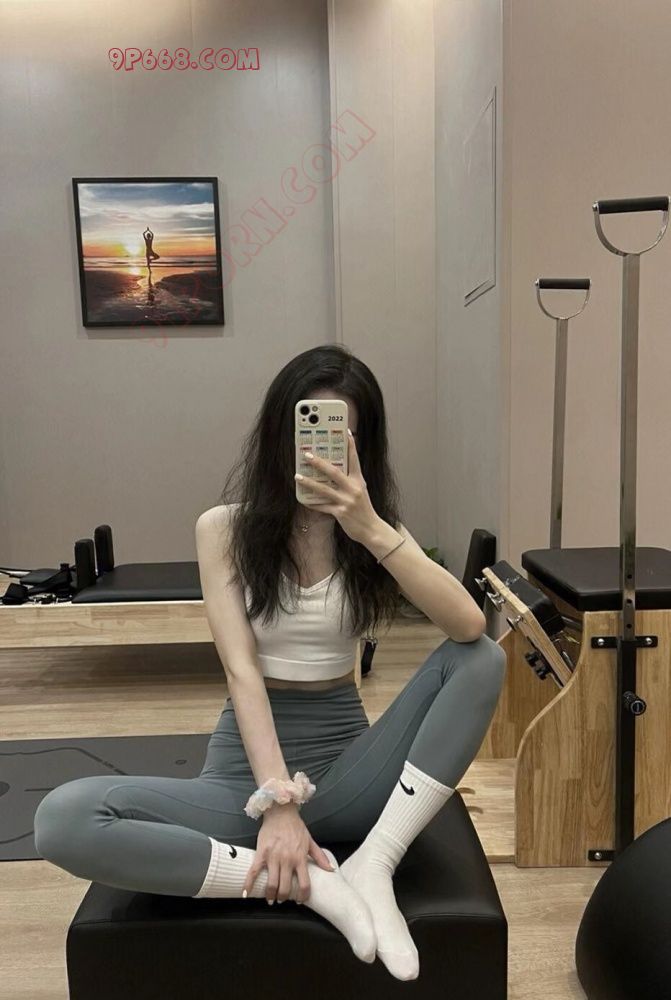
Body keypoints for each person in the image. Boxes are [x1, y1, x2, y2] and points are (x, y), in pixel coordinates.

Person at [34, 344, 506, 981]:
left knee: (481, 659)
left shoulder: (374, 533)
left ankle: (374, 864)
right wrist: (278, 804)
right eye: (307, 430)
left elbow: (469, 627)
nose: (318, 450)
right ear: (278, 435)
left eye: (340, 435)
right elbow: (241, 670)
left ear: (363, 446)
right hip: (245, 780)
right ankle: (309, 887)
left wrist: (369, 527)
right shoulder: (223, 529)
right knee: (63, 819)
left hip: (349, 772)